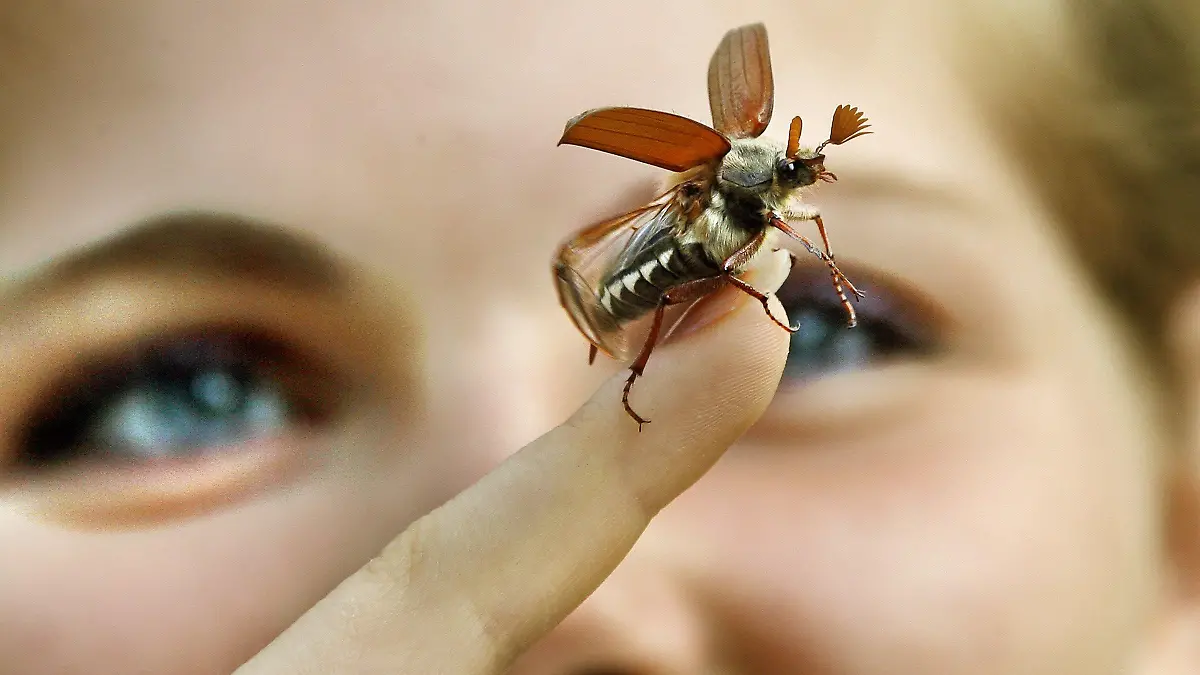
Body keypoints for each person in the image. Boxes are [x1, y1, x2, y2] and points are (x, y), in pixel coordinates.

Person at [0, 0, 1197, 672]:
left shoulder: (767, 199)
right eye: (192, 394)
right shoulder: (715, 181)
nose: (560, 594)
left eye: (838, 341)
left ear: (1185, 510)